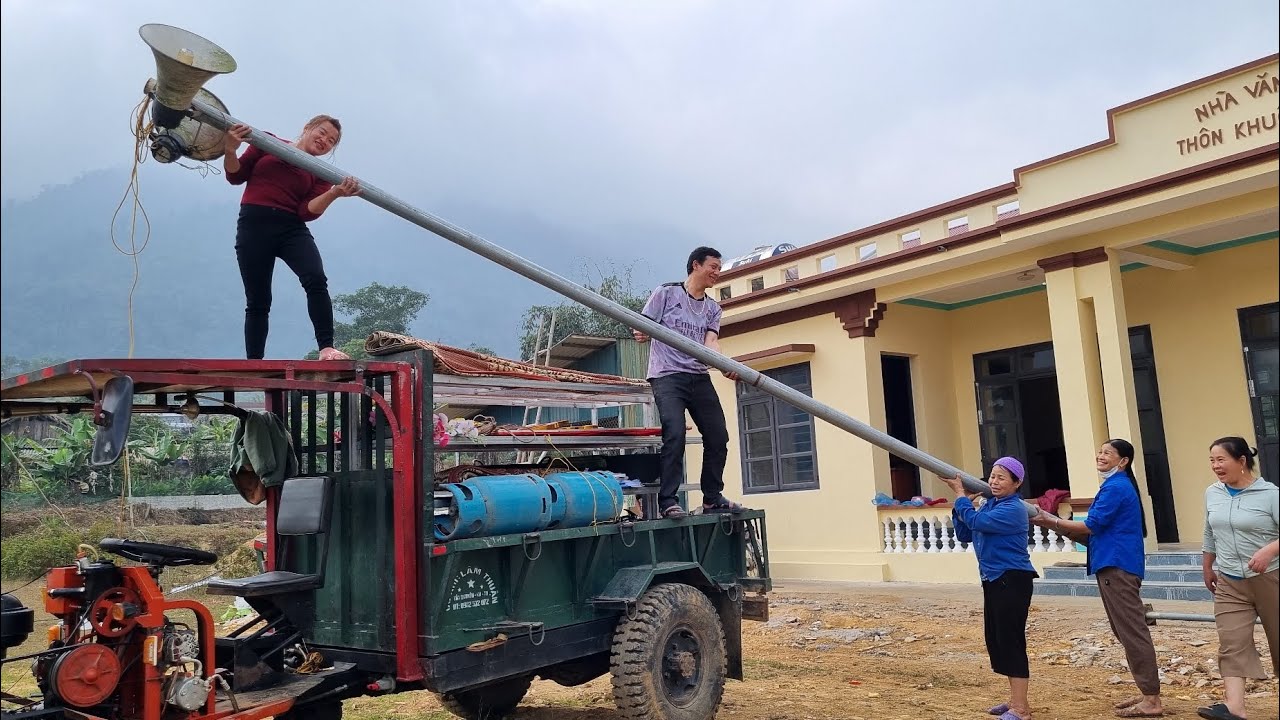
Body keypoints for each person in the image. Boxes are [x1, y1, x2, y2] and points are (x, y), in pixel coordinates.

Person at [1030, 439, 1163, 718]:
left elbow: (1091, 526)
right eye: (1100, 452)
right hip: (1113, 563)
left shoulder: (1116, 487)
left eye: (1107, 453)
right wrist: (1056, 523)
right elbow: (1093, 531)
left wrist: (1051, 520)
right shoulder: (1116, 486)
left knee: (1132, 631)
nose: (1100, 456)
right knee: (1125, 630)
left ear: (1123, 461)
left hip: (1118, 565)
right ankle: (1146, 692)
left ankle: (1152, 699)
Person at [223, 116, 361, 361]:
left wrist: (335, 193)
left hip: (291, 227)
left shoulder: (321, 173)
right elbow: (236, 176)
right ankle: (255, 362)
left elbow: (306, 212)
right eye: (322, 132)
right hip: (254, 224)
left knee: (316, 278)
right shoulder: (266, 141)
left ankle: (327, 348)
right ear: (307, 128)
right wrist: (230, 149)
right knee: (258, 299)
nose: (324, 141)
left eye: (331, 141)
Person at [633, 246, 742, 519]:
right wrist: (641, 332)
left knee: (718, 436)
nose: (717, 272)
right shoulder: (666, 293)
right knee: (675, 432)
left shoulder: (713, 309)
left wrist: (724, 365)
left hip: (698, 375)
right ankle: (668, 499)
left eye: (719, 268)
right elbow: (642, 326)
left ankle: (712, 498)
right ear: (696, 265)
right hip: (667, 374)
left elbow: (711, 344)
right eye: (713, 267)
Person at [938, 457, 1038, 720]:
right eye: (992, 476)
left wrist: (960, 496)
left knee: (1011, 641)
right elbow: (965, 533)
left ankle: (1021, 709)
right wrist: (961, 507)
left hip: (1012, 580)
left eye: (1001, 477)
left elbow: (977, 524)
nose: (994, 481)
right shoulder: (990, 505)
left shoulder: (1014, 509)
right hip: (993, 579)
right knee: (999, 641)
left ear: (1017, 484)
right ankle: (1015, 700)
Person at [1197, 437, 1279, 720]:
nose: (1216, 466)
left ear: (1241, 461)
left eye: (1221, 460)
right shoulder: (1213, 493)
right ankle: (1235, 709)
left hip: (1271, 578)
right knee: (1231, 641)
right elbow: (1210, 531)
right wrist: (1208, 566)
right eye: (1212, 460)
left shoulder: (1270, 494)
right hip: (1230, 580)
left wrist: (1270, 550)